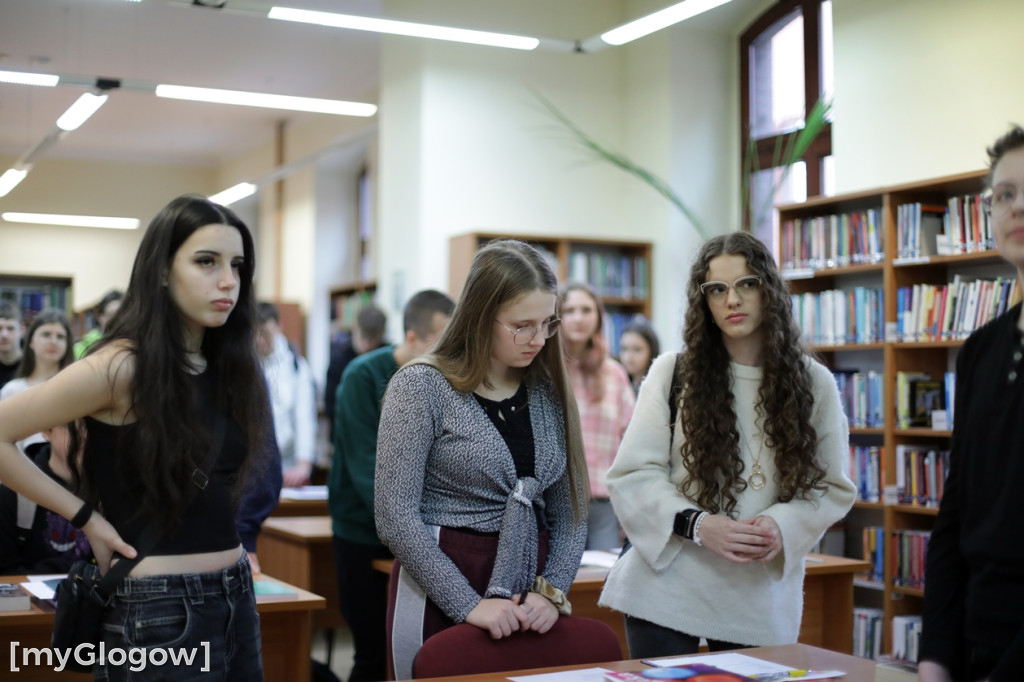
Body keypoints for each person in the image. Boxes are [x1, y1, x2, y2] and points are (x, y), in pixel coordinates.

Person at [0, 194, 272, 680]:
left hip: (236, 596)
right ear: (163, 271)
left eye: (237, 265)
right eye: (206, 262)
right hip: (159, 610)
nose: (228, 280)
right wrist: (86, 518)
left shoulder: (229, 365)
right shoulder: (122, 366)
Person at [598, 231, 856, 658]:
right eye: (717, 289)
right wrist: (698, 525)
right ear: (705, 302)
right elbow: (632, 475)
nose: (732, 300)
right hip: (665, 588)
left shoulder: (815, 384)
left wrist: (780, 524)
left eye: (746, 284)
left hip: (756, 593)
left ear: (768, 290)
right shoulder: (671, 372)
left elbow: (830, 486)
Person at [375, 239, 589, 681]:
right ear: (479, 316)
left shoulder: (548, 391)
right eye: (521, 325)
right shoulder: (420, 387)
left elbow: (572, 514)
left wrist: (551, 593)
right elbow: (395, 517)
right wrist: (468, 604)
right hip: (442, 573)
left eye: (547, 323)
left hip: (531, 581)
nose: (537, 339)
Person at [919, 126, 1024, 682]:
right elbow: (955, 517)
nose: (1018, 207)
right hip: (972, 646)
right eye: (1004, 194)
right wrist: (935, 657)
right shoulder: (980, 352)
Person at [328, 289, 454, 682]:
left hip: (417, 536)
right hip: (362, 534)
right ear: (412, 337)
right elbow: (368, 469)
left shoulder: (442, 382)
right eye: (442, 340)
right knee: (371, 653)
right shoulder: (363, 376)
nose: (450, 352)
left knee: (416, 655)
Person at [559, 282, 635, 549]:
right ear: (557, 316)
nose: (578, 318)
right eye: (569, 310)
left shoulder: (615, 373)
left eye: (586, 310)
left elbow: (631, 442)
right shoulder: (546, 371)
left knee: (601, 581)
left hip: (604, 500)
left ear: (598, 317)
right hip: (558, 500)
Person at [0, 422, 93, 573]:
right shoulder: (14, 493)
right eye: (72, 428)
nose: (83, 436)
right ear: (46, 431)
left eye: (91, 427)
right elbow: (4, 573)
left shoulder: (113, 488)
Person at [256, 301, 319, 487]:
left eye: (265, 334)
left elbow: (304, 418)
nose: (259, 341)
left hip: (288, 467)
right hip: (253, 467)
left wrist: (303, 465)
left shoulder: (297, 367)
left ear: (278, 327)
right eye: (254, 334)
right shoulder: (245, 364)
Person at [0, 308, 76, 456]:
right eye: (46, 334)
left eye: (60, 336)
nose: (53, 342)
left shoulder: (76, 388)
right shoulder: (12, 390)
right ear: (31, 341)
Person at [324, 303, 387, 444]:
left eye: (372, 340)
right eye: (363, 337)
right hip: (346, 438)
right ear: (354, 329)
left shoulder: (388, 358)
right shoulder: (339, 361)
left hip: (379, 440)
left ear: (381, 335)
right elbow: (331, 408)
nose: (366, 345)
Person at [73, 289, 124, 359]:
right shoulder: (82, 349)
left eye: (120, 315)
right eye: (111, 315)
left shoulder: (135, 346)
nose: (116, 320)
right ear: (100, 318)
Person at [618, 319, 660, 395]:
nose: (629, 356)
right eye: (624, 349)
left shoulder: (660, 387)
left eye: (637, 349)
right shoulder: (618, 384)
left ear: (652, 350)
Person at [0, 302, 23, 390]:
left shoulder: (34, 364)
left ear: (22, 330)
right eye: (0, 328)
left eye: (10, 328)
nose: (4, 334)